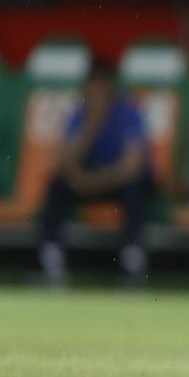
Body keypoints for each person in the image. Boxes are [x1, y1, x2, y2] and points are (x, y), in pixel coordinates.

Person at [37, 57, 153, 285]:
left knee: (136, 188)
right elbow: (63, 163)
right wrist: (92, 124)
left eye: (101, 84)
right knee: (56, 187)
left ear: (111, 87)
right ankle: (51, 259)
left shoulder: (128, 113)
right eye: (92, 84)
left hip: (116, 181)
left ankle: (131, 260)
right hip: (87, 181)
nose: (96, 91)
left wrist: (95, 180)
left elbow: (132, 165)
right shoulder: (78, 115)